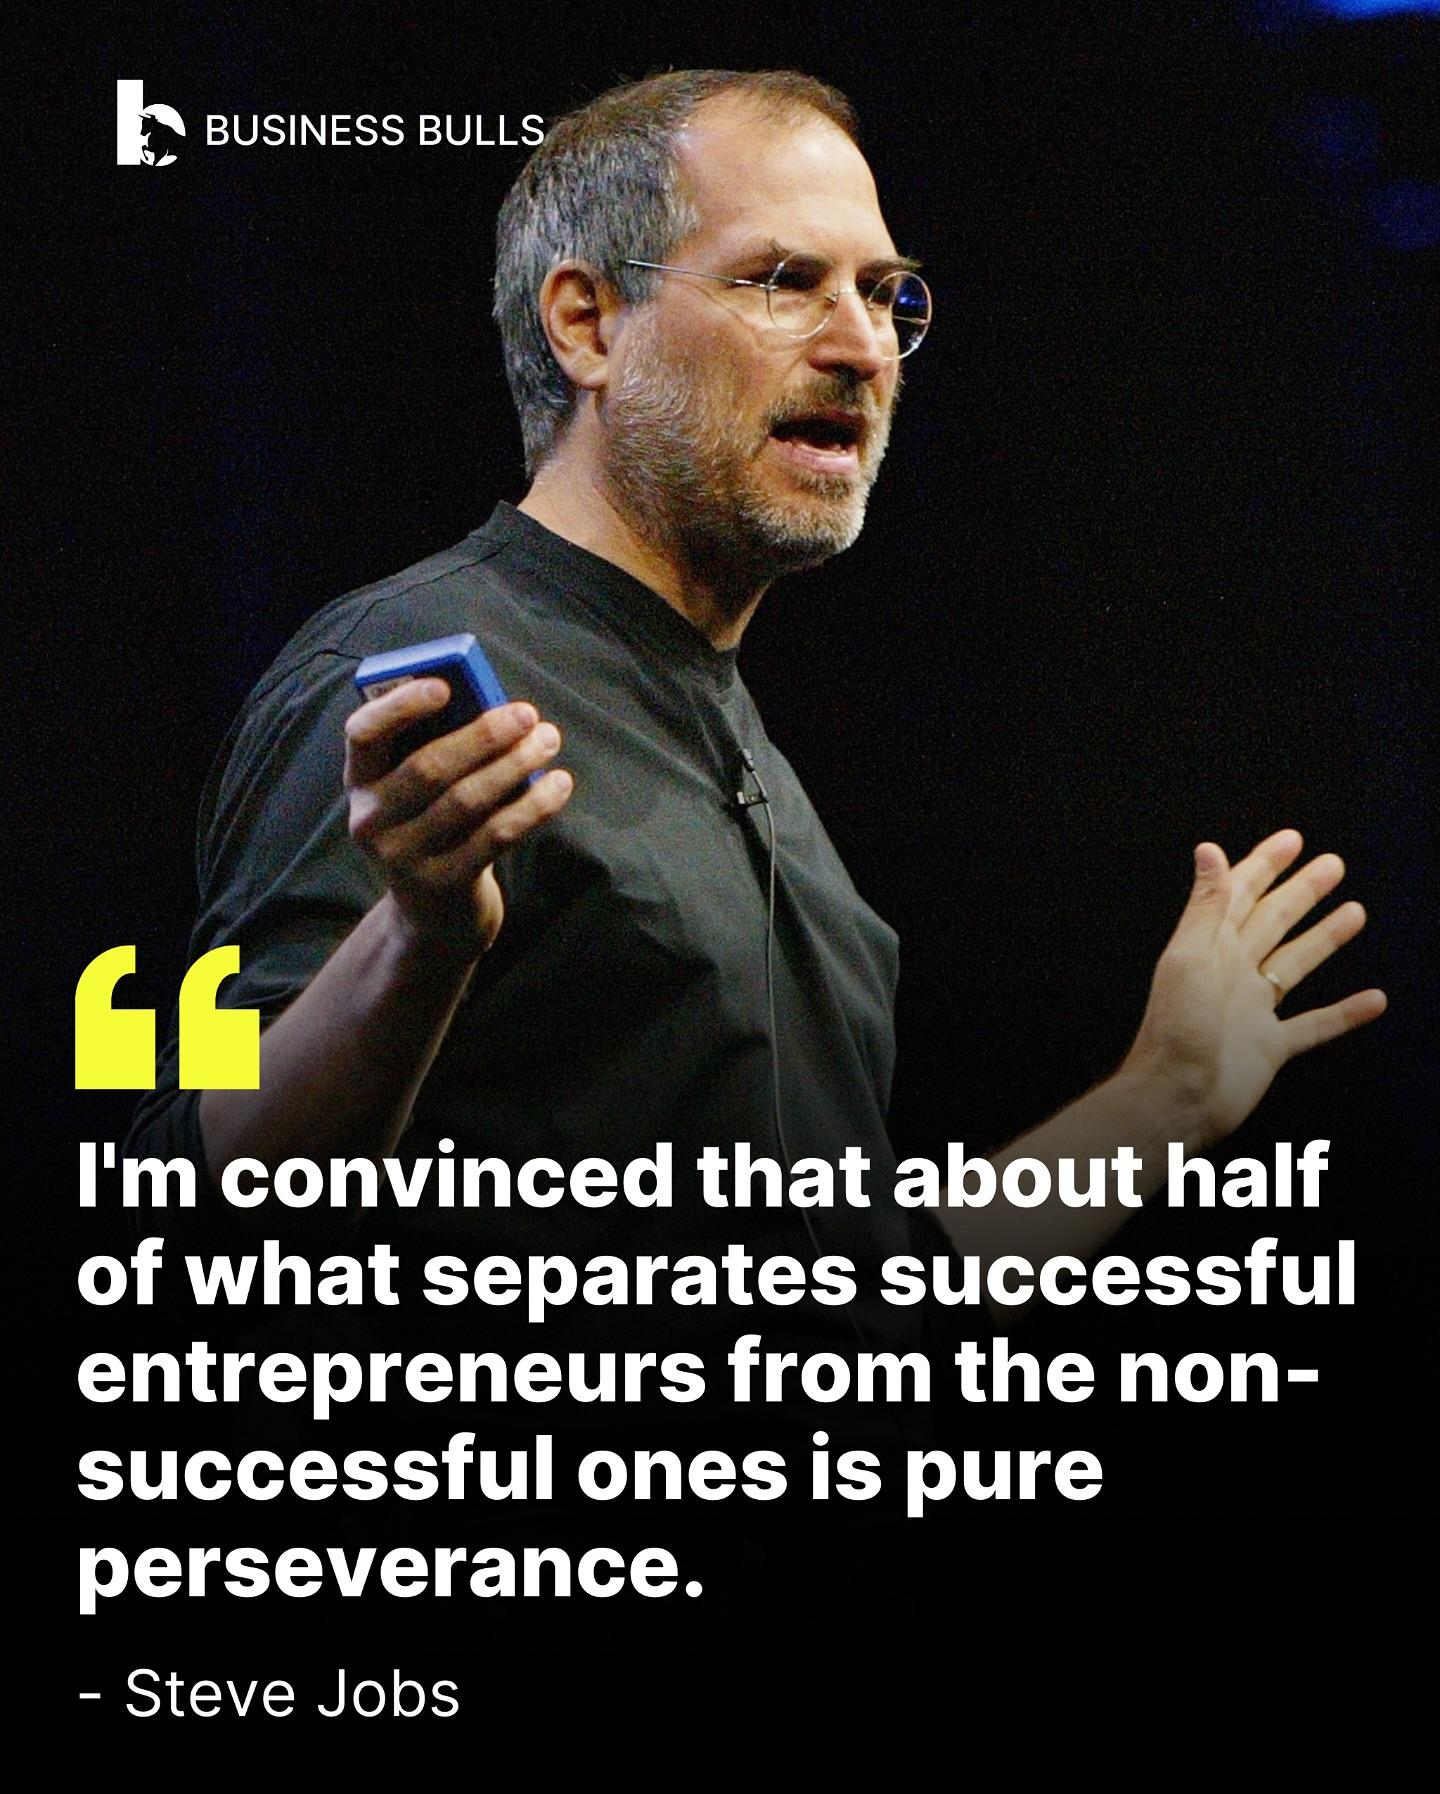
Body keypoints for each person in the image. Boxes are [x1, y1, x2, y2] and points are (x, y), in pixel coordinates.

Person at [129, 69, 1383, 1585]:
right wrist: (419, 937)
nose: (862, 345)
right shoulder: (407, 688)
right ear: (587, 324)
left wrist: (1164, 1095)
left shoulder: (759, 774)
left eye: (888, 294)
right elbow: (193, 1226)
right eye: (785, 281)